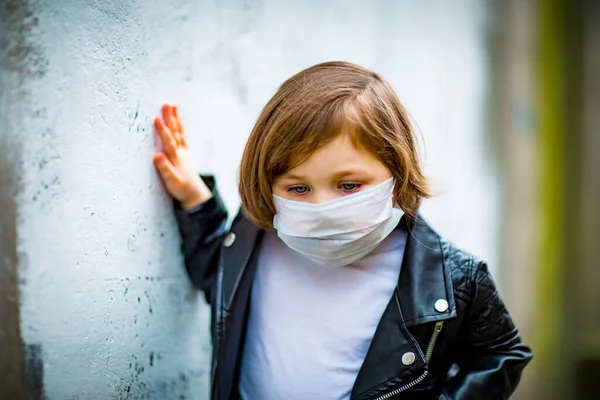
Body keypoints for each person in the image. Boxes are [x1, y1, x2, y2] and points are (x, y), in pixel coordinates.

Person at [153, 61, 532, 400]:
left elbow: (501, 354)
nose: (322, 209)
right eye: (298, 189)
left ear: (396, 175)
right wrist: (194, 200)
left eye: (349, 186)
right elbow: (217, 279)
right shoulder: (254, 241)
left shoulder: (452, 278)